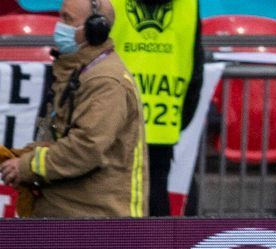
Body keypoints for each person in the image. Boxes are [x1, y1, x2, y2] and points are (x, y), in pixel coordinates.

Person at [0, 0, 148, 217]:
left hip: (96, 222)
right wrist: (25, 155)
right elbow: (58, 133)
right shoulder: (75, 72)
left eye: (68, 19)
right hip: (69, 214)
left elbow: (86, 147)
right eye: (61, 17)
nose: (59, 26)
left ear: (95, 29)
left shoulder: (105, 81)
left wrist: (27, 166)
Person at [110, 0, 203, 216]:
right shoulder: (189, 4)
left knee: (108, 202)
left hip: (112, 120)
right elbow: (196, 68)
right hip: (162, 122)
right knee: (155, 199)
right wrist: (178, 118)